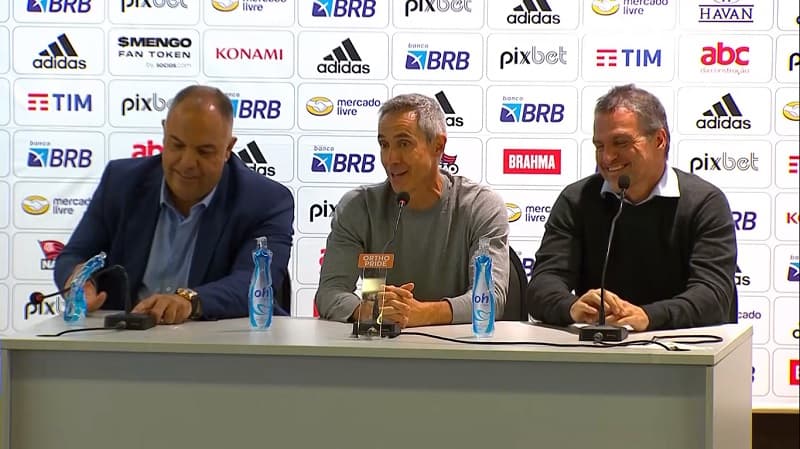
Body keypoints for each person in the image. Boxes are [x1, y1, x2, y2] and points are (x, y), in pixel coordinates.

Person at [54, 85, 295, 324]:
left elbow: (254, 282)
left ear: (228, 149)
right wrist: (80, 282)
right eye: (177, 145)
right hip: (125, 346)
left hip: (218, 350)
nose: (187, 162)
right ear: (164, 133)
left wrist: (188, 301)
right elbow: (76, 254)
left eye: (204, 151)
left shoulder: (266, 200)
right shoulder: (121, 182)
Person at [527, 84, 737, 331]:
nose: (607, 158)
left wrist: (648, 317)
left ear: (659, 140)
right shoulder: (577, 199)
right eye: (600, 146)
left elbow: (713, 296)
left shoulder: (705, 203)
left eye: (620, 142)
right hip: (599, 353)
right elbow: (542, 284)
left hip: (683, 353)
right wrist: (571, 307)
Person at [315, 93, 509, 328]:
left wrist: (420, 313)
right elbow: (329, 291)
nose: (391, 158)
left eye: (403, 144)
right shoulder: (359, 206)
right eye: (384, 145)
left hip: (458, 352)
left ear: (438, 145)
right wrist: (369, 310)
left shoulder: (480, 206)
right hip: (379, 351)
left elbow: (489, 300)